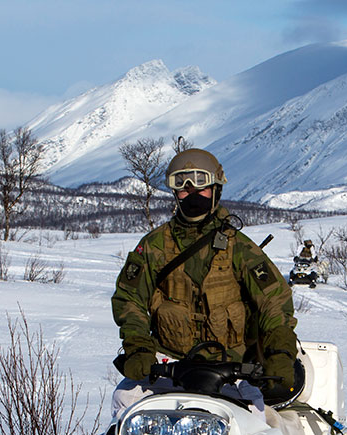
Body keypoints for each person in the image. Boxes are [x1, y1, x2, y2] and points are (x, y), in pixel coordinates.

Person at [111, 147, 299, 414]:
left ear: (216, 189)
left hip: (232, 368)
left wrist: (280, 353)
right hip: (170, 364)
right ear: (175, 194)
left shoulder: (239, 248)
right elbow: (129, 298)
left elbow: (274, 302)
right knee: (124, 403)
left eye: (201, 186)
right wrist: (138, 346)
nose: (192, 194)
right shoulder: (154, 246)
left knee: (257, 422)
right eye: (183, 188)